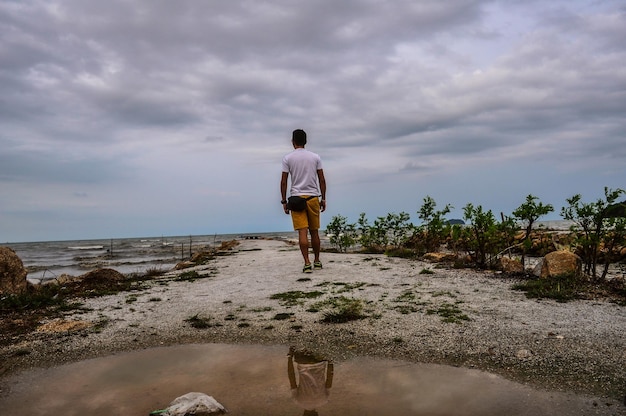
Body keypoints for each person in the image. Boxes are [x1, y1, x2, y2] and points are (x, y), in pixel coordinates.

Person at [280, 129, 327, 273]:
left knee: (302, 232)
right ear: (305, 141)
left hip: (296, 199)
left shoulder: (288, 158)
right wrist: (323, 198)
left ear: (292, 141)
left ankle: (307, 263)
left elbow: (284, 182)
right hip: (313, 197)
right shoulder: (315, 157)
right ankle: (317, 261)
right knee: (314, 232)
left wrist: (283, 201)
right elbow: (322, 179)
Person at [287, 346, 334, 415]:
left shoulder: (324, 400)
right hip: (302, 360)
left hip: (319, 360)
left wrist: (330, 361)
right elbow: (291, 377)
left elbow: (329, 379)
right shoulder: (298, 401)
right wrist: (290, 357)